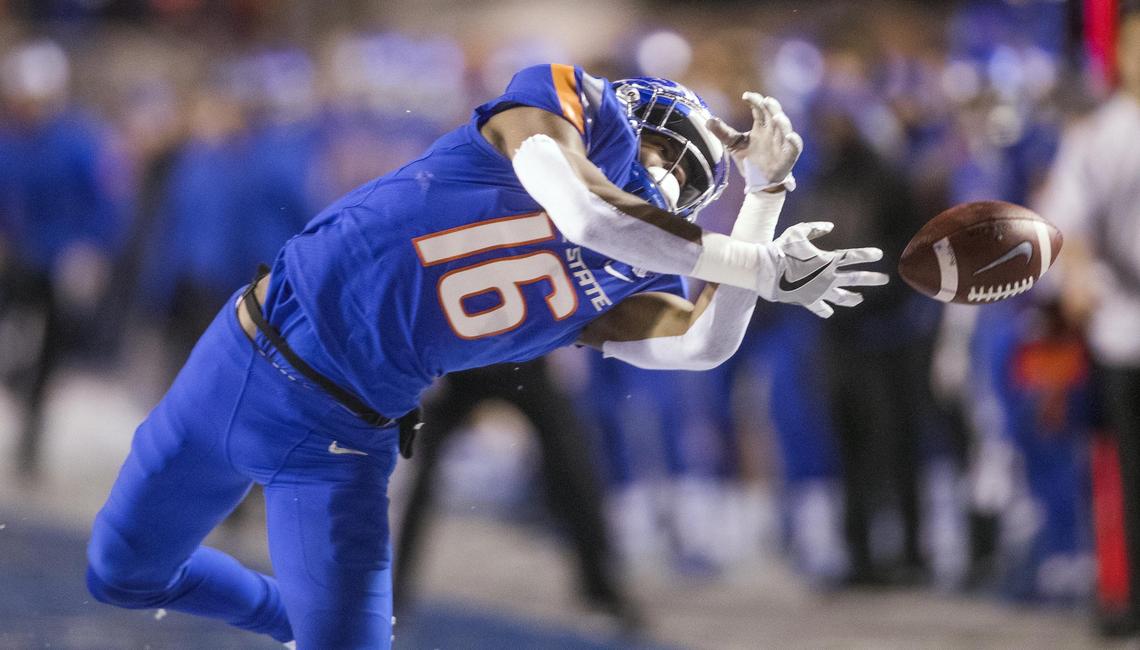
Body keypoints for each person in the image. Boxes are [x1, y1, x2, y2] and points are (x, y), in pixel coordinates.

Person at [84, 64, 887, 648]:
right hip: (241, 353)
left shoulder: (635, 267)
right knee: (120, 574)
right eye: (663, 150)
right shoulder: (561, 105)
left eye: (686, 174)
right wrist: (755, 264)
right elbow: (582, 213)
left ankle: (324, 620)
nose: (665, 173)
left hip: (342, 441)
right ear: (624, 118)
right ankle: (297, 614)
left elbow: (702, 341)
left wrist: (767, 197)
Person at [1035, 2, 1140, 634]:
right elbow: (1059, 224)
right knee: (1126, 475)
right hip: (1125, 336)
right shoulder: (1102, 134)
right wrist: (1073, 274)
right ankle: (1126, 594)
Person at [393, 359, 638, 628]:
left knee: (572, 464)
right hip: (460, 363)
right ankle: (392, 589)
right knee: (417, 471)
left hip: (521, 358)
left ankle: (600, 588)